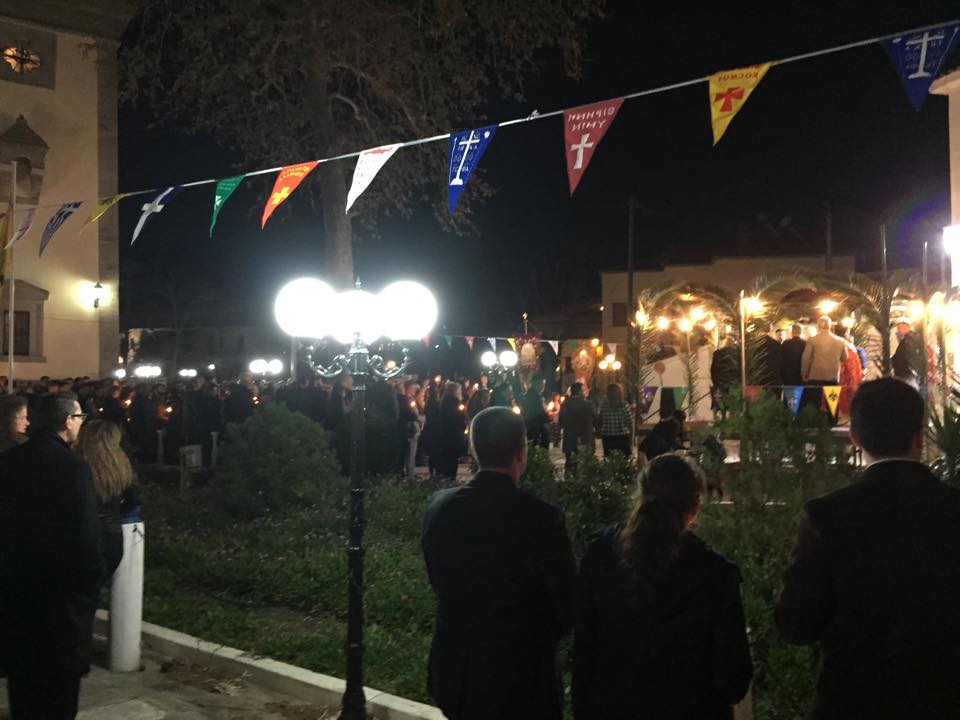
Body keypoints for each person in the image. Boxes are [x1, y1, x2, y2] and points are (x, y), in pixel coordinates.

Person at [776, 378, 960, 719]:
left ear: (855, 437)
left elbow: (796, 625)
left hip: (854, 702)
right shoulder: (952, 510)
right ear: (920, 436)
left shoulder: (827, 516)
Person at [422, 407, 576, 720]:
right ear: (521, 453)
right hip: (521, 674)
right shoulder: (542, 519)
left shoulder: (439, 507)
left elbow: (438, 575)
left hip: (458, 668)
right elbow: (566, 602)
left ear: (474, 450)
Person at [573, 454, 752, 719]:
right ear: (694, 507)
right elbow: (734, 681)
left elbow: (584, 657)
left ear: (640, 497)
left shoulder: (600, 559)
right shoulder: (716, 575)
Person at [0, 393, 103, 719]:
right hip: (60, 597)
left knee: (24, 688)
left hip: (17, 590)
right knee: (58, 693)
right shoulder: (73, 468)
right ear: (66, 421)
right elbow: (86, 538)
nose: (81, 423)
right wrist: (90, 586)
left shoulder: (9, 461)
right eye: (79, 417)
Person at [76, 419, 140, 580]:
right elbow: (134, 499)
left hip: (82, 537)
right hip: (112, 537)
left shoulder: (76, 465)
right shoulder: (122, 466)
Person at [558, 383, 595, 472]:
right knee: (583, 465)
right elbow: (593, 419)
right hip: (583, 438)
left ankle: (569, 478)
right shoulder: (587, 405)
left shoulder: (565, 404)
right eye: (584, 391)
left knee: (570, 463)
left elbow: (561, 421)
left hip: (569, 438)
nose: (585, 393)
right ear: (579, 392)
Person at [436, 381, 467, 479]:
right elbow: (460, 418)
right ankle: (452, 478)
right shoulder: (455, 402)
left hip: (445, 432)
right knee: (453, 457)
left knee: (447, 457)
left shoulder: (443, 402)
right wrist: (464, 424)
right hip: (455, 433)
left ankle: (446, 477)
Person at [597, 383, 632, 458]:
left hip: (608, 437)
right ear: (620, 393)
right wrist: (631, 439)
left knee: (609, 459)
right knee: (624, 459)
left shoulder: (604, 405)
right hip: (622, 436)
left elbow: (600, 420)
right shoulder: (624, 405)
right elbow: (629, 421)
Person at [520, 375, 550, 448]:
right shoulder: (530, 397)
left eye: (543, 384)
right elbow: (533, 413)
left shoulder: (539, 396)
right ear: (533, 383)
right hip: (534, 428)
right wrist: (545, 416)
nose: (542, 386)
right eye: (540, 383)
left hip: (538, 428)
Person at [779, 323, 806, 387]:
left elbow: (781, 359)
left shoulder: (786, 343)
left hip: (788, 376)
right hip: (800, 375)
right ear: (801, 332)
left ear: (792, 332)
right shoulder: (805, 343)